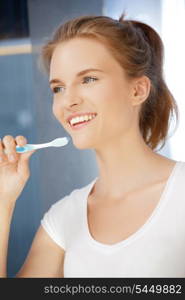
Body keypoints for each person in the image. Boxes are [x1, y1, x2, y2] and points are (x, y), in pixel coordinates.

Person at [0, 13, 184, 278]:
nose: (68, 101)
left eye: (88, 79)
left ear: (138, 90)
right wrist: (3, 200)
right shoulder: (63, 219)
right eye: (58, 88)